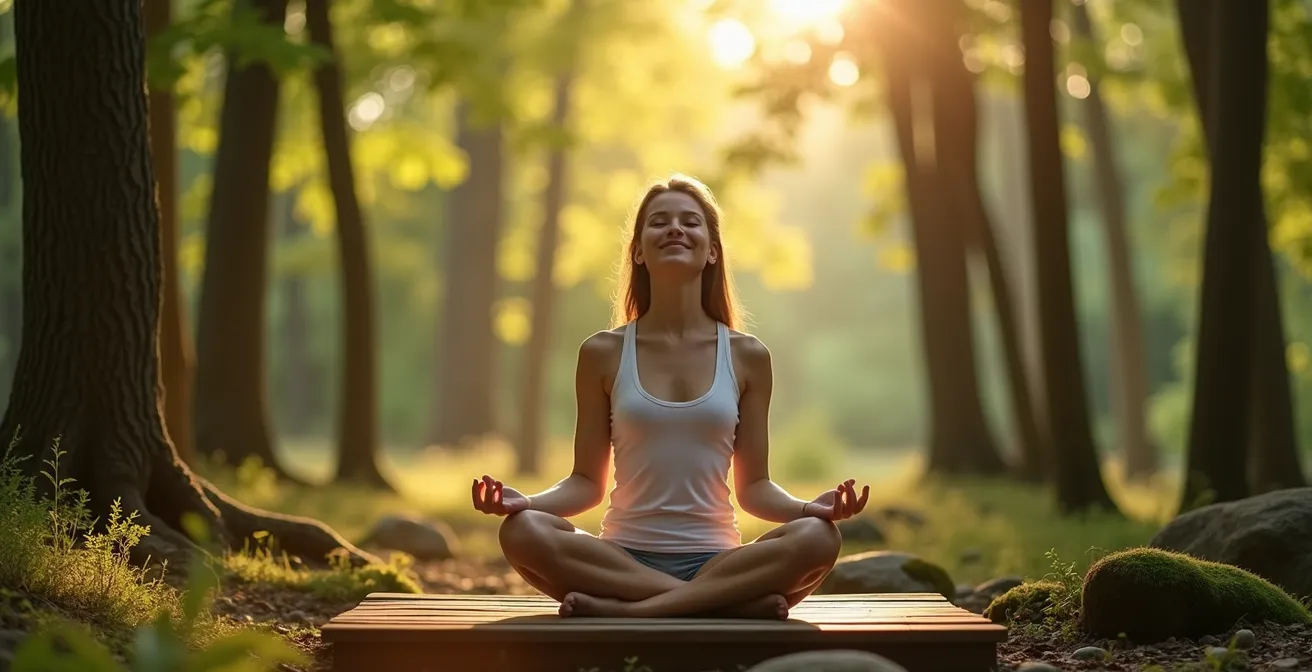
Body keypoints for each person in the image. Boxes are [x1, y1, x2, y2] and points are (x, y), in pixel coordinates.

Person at [471, 175, 870, 620]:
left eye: (690, 222)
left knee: (818, 537)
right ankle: (722, 605)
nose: (675, 228)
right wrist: (525, 503)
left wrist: (808, 509)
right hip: (622, 561)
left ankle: (632, 613)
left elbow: (754, 488)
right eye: (659, 221)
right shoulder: (602, 352)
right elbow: (586, 482)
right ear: (638, 251)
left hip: (717, 561)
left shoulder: (748, 356)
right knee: (522, 531)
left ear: (712, 250)